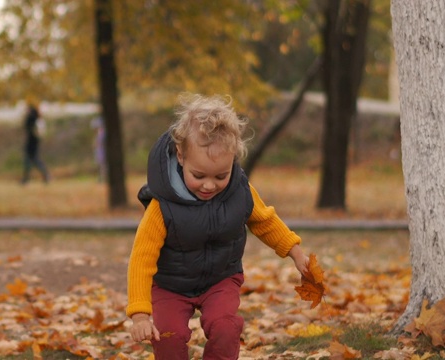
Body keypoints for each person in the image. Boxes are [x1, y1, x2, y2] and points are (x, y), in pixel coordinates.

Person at [126, 93, 310, 360]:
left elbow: (265, 221)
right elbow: (141, 259)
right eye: (198, 175)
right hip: (170, 285)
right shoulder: (162, 206)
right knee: (169, 336)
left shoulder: (240, 191)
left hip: (221, 279)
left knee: (226, 327)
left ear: (233, 160)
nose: (209, 185)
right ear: (180, 156)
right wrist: (140, 315)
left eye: (220, 176)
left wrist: (296, 253)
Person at [21, 100, 50, 184]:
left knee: (32, 160)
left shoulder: (31, 118)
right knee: (32, 160)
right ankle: (27, 179)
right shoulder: (37, 118)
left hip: (32, 142)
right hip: (34, 142)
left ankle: (27, 179)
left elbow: (26, 127)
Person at [90, 114, 106, 182]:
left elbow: (100, 142)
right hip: (100, 151)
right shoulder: (100, 132)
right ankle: (101, 178)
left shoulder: (102, 132)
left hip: (102, 151)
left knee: (103, 166)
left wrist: (97, 144)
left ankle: (103, 178)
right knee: (101, 165)